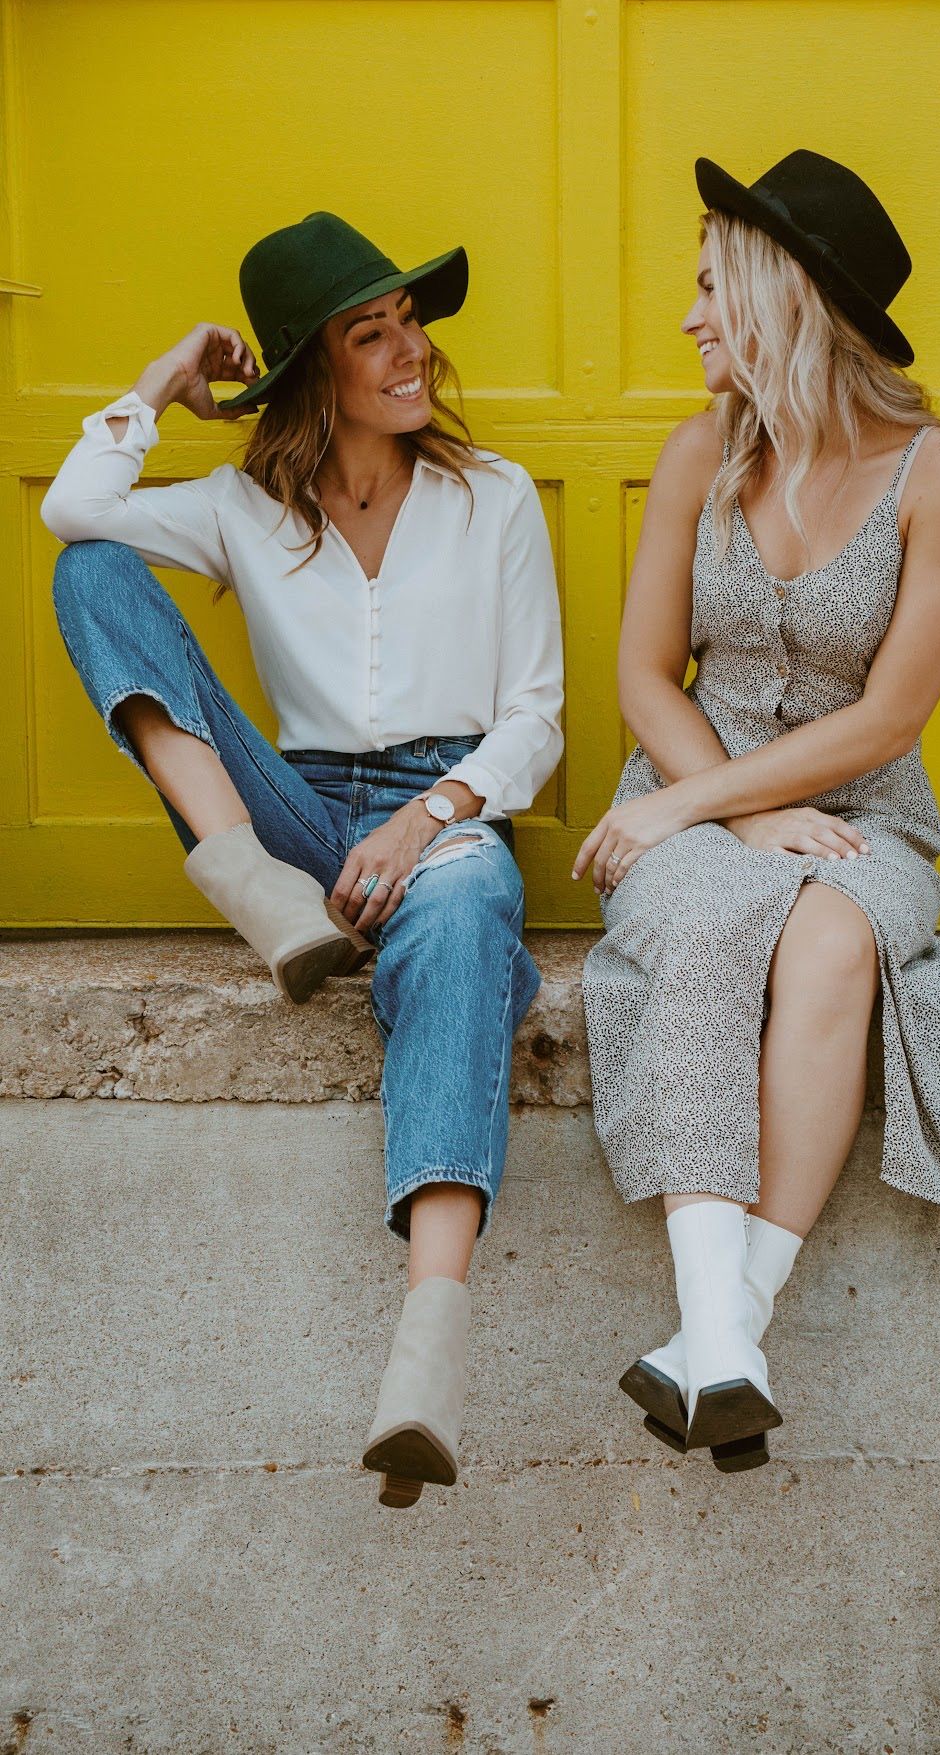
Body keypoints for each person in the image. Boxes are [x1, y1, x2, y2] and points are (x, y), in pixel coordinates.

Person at [575, 150, 940, 1472]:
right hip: (689, 803)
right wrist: (721, 817)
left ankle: (723, 1330)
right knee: (718, 927)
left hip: (862, 820)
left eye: (711, 287)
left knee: (831, 942)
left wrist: (741, 810)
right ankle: (723, 1341)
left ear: (785, 298)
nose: (689, 318)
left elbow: (888, 721)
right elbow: (639, 676)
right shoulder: (695, 453)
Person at [41, 211, 564, 1510]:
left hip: (436, 810)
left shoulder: (487, 497)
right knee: (90, 570)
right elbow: (73, 504)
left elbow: (534, 716)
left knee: (463, 920)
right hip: (284, 814)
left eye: (411, 324)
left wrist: (423, 817)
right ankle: (240, 877)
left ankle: (426, 1356)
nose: (411, 352)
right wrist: (168, 378)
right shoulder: (241, 506)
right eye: (369, 333)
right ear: (306, 374)